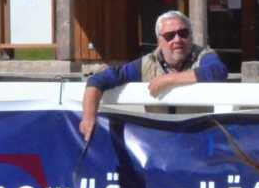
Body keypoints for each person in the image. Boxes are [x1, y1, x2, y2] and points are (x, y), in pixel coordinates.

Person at [79, 11, 228, 141]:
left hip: (198, 138)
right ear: (159, 41)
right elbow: (99, 79)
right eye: (170, 36)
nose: (177, 40)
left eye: (183, 33)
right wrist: (88, 118)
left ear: (190, 36)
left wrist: (168, 79)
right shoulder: (146, 64)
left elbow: (218, 71)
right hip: (159, 143)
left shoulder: (204, 55)